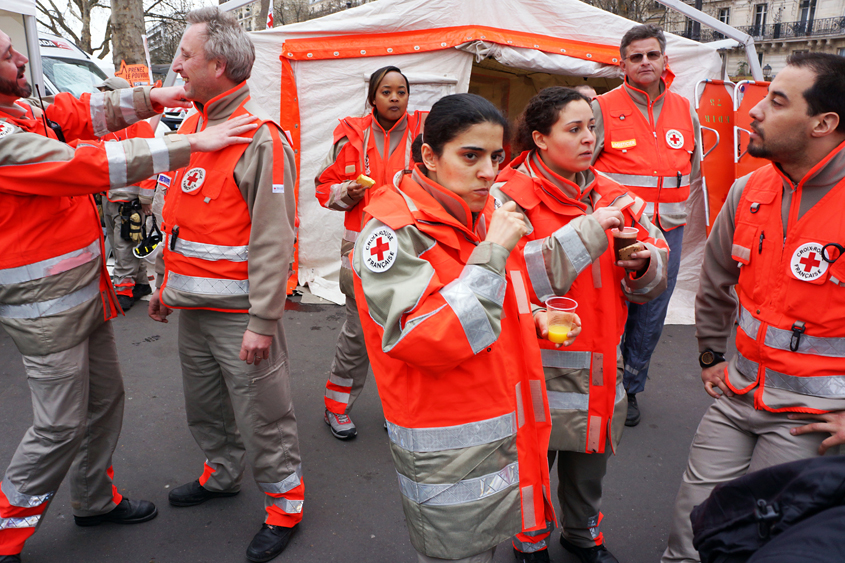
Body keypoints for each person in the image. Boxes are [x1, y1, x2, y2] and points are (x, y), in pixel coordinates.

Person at [0, 28, 257, 563]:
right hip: (43, 310)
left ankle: (94, 499)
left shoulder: (22, 109)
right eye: (7, 55)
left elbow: (77, 110)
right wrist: (188, 144)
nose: (21, 58)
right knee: (58, 426)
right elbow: (83, 166)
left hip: (81, 296)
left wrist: (149, 98)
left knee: (104, 402)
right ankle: (6, 532)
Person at [352, 93, 556, 563]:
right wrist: (493, 254)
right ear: (429, 155)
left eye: (497, 157)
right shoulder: (393, 232)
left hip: (499, 431)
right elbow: (424, 336)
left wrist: (533, 321)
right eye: (471, 155)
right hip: (449, 452)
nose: (490, 171)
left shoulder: (478, 212)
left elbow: (497, 303)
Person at [661, 52, 845, 563]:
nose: (754, 111)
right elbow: (716, 282)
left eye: (777, 101)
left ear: (822, 124)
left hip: (808, 421)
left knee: (761, 538)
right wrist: (708, 357)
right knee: (690, 525)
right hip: (737, 395)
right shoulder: (749, 190)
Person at [147, 8, 302, 563]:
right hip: (192, 307)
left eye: (185, 55)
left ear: (218, 63)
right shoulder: (193, 127)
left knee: (265, 415)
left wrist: (263, 321)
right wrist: (165, 286)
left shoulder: (261, 138)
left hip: (241, 316)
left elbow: (271, 240)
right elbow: (180, 220)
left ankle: (285, 506)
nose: (177, 65)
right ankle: (221, 475)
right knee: (205, 408)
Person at [492, 87, 669, 563]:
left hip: (597, 363)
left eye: (591, 126)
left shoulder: (614, 194)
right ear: (540, 139)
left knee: (590, 463)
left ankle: (581, 533)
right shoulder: (507, 197)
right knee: (528, 459)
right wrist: (587, 233)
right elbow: (506, 276)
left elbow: (656, 276)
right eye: (574, 129)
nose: (589, 137)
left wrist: (643, 263)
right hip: (534, 362)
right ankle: (528, 539)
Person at [591, 24, 703, 426]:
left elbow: (694, 173)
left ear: (664, 60)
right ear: (622, 63)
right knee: (612, 308)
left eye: (651, 55)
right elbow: (583, 171)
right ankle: (603, 385)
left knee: (651, 313)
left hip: (667, 233)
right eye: (635, 57)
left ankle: (631, 388)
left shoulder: (684, 109)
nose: (644, 63)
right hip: (619, 231)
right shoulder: (601, 108)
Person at [315, 65, 427, 439]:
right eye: (387, 91)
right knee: (360, 333)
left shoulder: (426, 131)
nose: (395, 98)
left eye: (402, 91)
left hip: (413, 247)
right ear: (372, 98)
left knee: (410, 331)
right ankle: (336, 407)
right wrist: (346, 192)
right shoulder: (350, 133)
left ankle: (401, 410)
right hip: (362, 245)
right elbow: (323, 188)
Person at [97, 77, 157, 311]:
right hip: (110, 195)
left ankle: (124, 290)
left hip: (127, 198)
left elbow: (151, 162)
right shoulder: (106, 125)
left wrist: (144, 197)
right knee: (122, 242)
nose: (103, 98)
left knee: (123, 246)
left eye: (106, 94)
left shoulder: (137, 125)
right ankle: (140, 283)